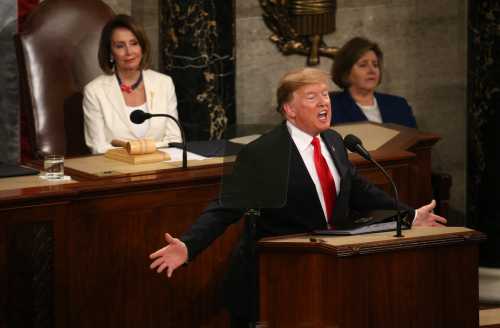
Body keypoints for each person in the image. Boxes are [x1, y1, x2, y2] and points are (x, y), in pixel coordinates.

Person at [149, 68, 446, 327]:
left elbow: (356, 188)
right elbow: (225, 206)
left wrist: (409, 215)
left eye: (326, 95)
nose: (324, 102)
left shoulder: (333, 140)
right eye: (312, 97)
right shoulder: (264, 153)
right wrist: (189, 245)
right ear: (289, 110)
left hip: (326, 270)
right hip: (275, 278)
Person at [83, 14, 181, 154]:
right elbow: (98, 148)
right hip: (117, 170)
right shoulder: (94, 91)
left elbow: (174, 140)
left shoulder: (164, 83)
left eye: (134, 43)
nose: (129, 52)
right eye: (120, 46)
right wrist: (138, 153)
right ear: (110, 52)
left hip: (160, 167)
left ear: (142, 47)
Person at [330, 37, 417, 128]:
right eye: (363, 65)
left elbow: (416, 140)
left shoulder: (399, 105)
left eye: (375, 65)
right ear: (346, 72)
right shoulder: (330, 107)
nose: (372, 70)